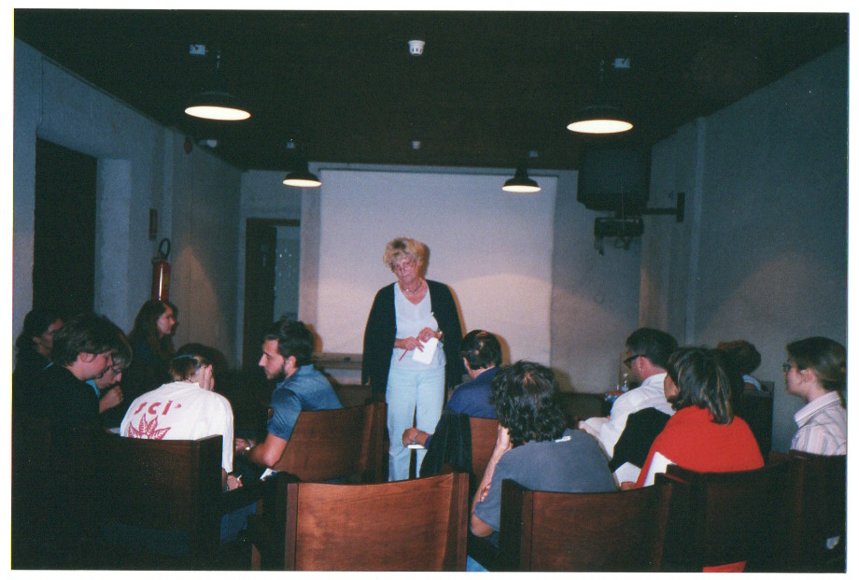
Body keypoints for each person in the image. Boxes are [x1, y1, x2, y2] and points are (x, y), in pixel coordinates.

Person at [470, 361, 615, 551]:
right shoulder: (587, 442)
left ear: (507, 415)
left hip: (546, 560)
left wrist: (500, 448)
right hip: (600, 554)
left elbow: (478, 528)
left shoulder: (516, 460)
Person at [120, 343, 249, 543]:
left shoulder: (138, 401)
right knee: (251, 507)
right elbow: (216, 482)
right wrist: (230, 483)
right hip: (186, 529)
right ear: (208, 370)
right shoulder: (215, 402)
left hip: (129, 521)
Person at [362, 237, 464, 481]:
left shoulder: (440, 292)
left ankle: (425, 487)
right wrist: (400, 342)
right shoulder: (386, 296)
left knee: (428, 435)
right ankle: (397, 488)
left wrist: (437, 334)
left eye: (406, 264)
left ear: (418, 263)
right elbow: (374, 339)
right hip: (400, 373)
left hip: (433, 372)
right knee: (399, 435)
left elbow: (453, 331)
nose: (402, 271)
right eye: (396, 267)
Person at [631, 347, 764, 489]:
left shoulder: (674, 436)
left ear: (676, 387)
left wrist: (631, 491)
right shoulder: (742, 428)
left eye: (668, 374)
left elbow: (648, 496)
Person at [235, 319, 342, 473]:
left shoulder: (287, 394)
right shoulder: (320, 380)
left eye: (268, 357)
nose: (261, 362)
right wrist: (254, 445)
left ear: (290, 361)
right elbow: (301, 438)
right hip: (333, 472)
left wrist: (245, 451)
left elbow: (269, 458)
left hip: (302, 480)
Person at [579, 327, 678, 459]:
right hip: (670, 466)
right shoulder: (688, 396)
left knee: (587, 425)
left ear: (641, 363)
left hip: (636, 469)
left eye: (630, 362)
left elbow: (610, 453)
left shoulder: (632, 400)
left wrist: (585, 432)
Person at [403, 329, 501, 450]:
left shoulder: (465, 395)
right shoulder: (517, 386)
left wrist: (416, 435)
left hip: (470, 461)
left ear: (465, 361)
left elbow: (442, 443)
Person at [102, 299, 178, 428]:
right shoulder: (139, 347)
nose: (173, 322)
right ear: (153, 319)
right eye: (168, 317)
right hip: (132, 411)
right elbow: (140, 385)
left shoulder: (161, 346)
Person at [784, 336, 846, 455]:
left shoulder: (814, 432)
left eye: (789, 366)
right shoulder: (842, 414)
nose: (785, 372)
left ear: (807, 375)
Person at [12, 307, 64, 417]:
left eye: (62, 331)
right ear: (37, 338)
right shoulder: (31, 367)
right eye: (54, 333)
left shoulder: (57, 358)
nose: (61, 337)